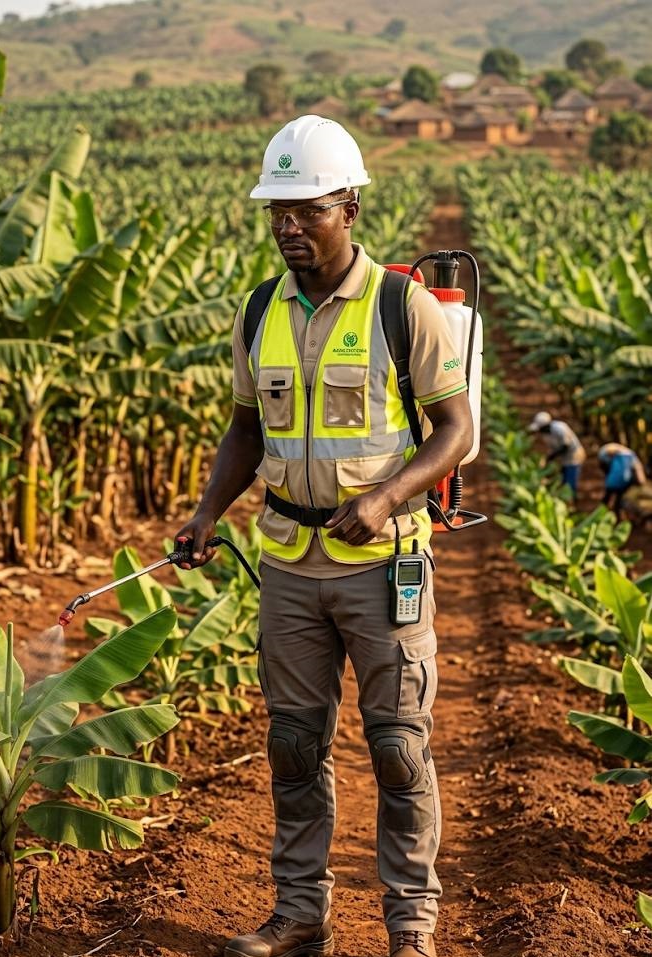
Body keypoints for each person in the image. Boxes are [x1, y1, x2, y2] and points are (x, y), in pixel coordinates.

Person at [176, 115, 473, 957]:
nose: (289, 226)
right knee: (294, 746)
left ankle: (409, 929)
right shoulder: (258, 309)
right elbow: (245, 429)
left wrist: (385, 497)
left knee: (397, 749)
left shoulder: (401, 306)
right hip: (287, 563)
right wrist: (207, 510)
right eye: (278, 211)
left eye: (307, 209)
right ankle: (301, 914)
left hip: (381, 562)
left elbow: (455, 431)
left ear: (348, 209)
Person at [528, 410, 585, 496]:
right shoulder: (546, 434)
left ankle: (571, 497)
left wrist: (551, 456)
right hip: (564, 457)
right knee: (563, 478)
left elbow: (565, 446)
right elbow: (553, 448)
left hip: (574, 455)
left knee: (570, 481)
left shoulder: (560, 428)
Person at [597, 442, 646, 520]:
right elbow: (639, 470)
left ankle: (603, 516)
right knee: (616, 501)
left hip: (614, 483)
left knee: (610, 500)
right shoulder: (629, 455)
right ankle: (616, 517)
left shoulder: (622, 454)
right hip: (622, 483)